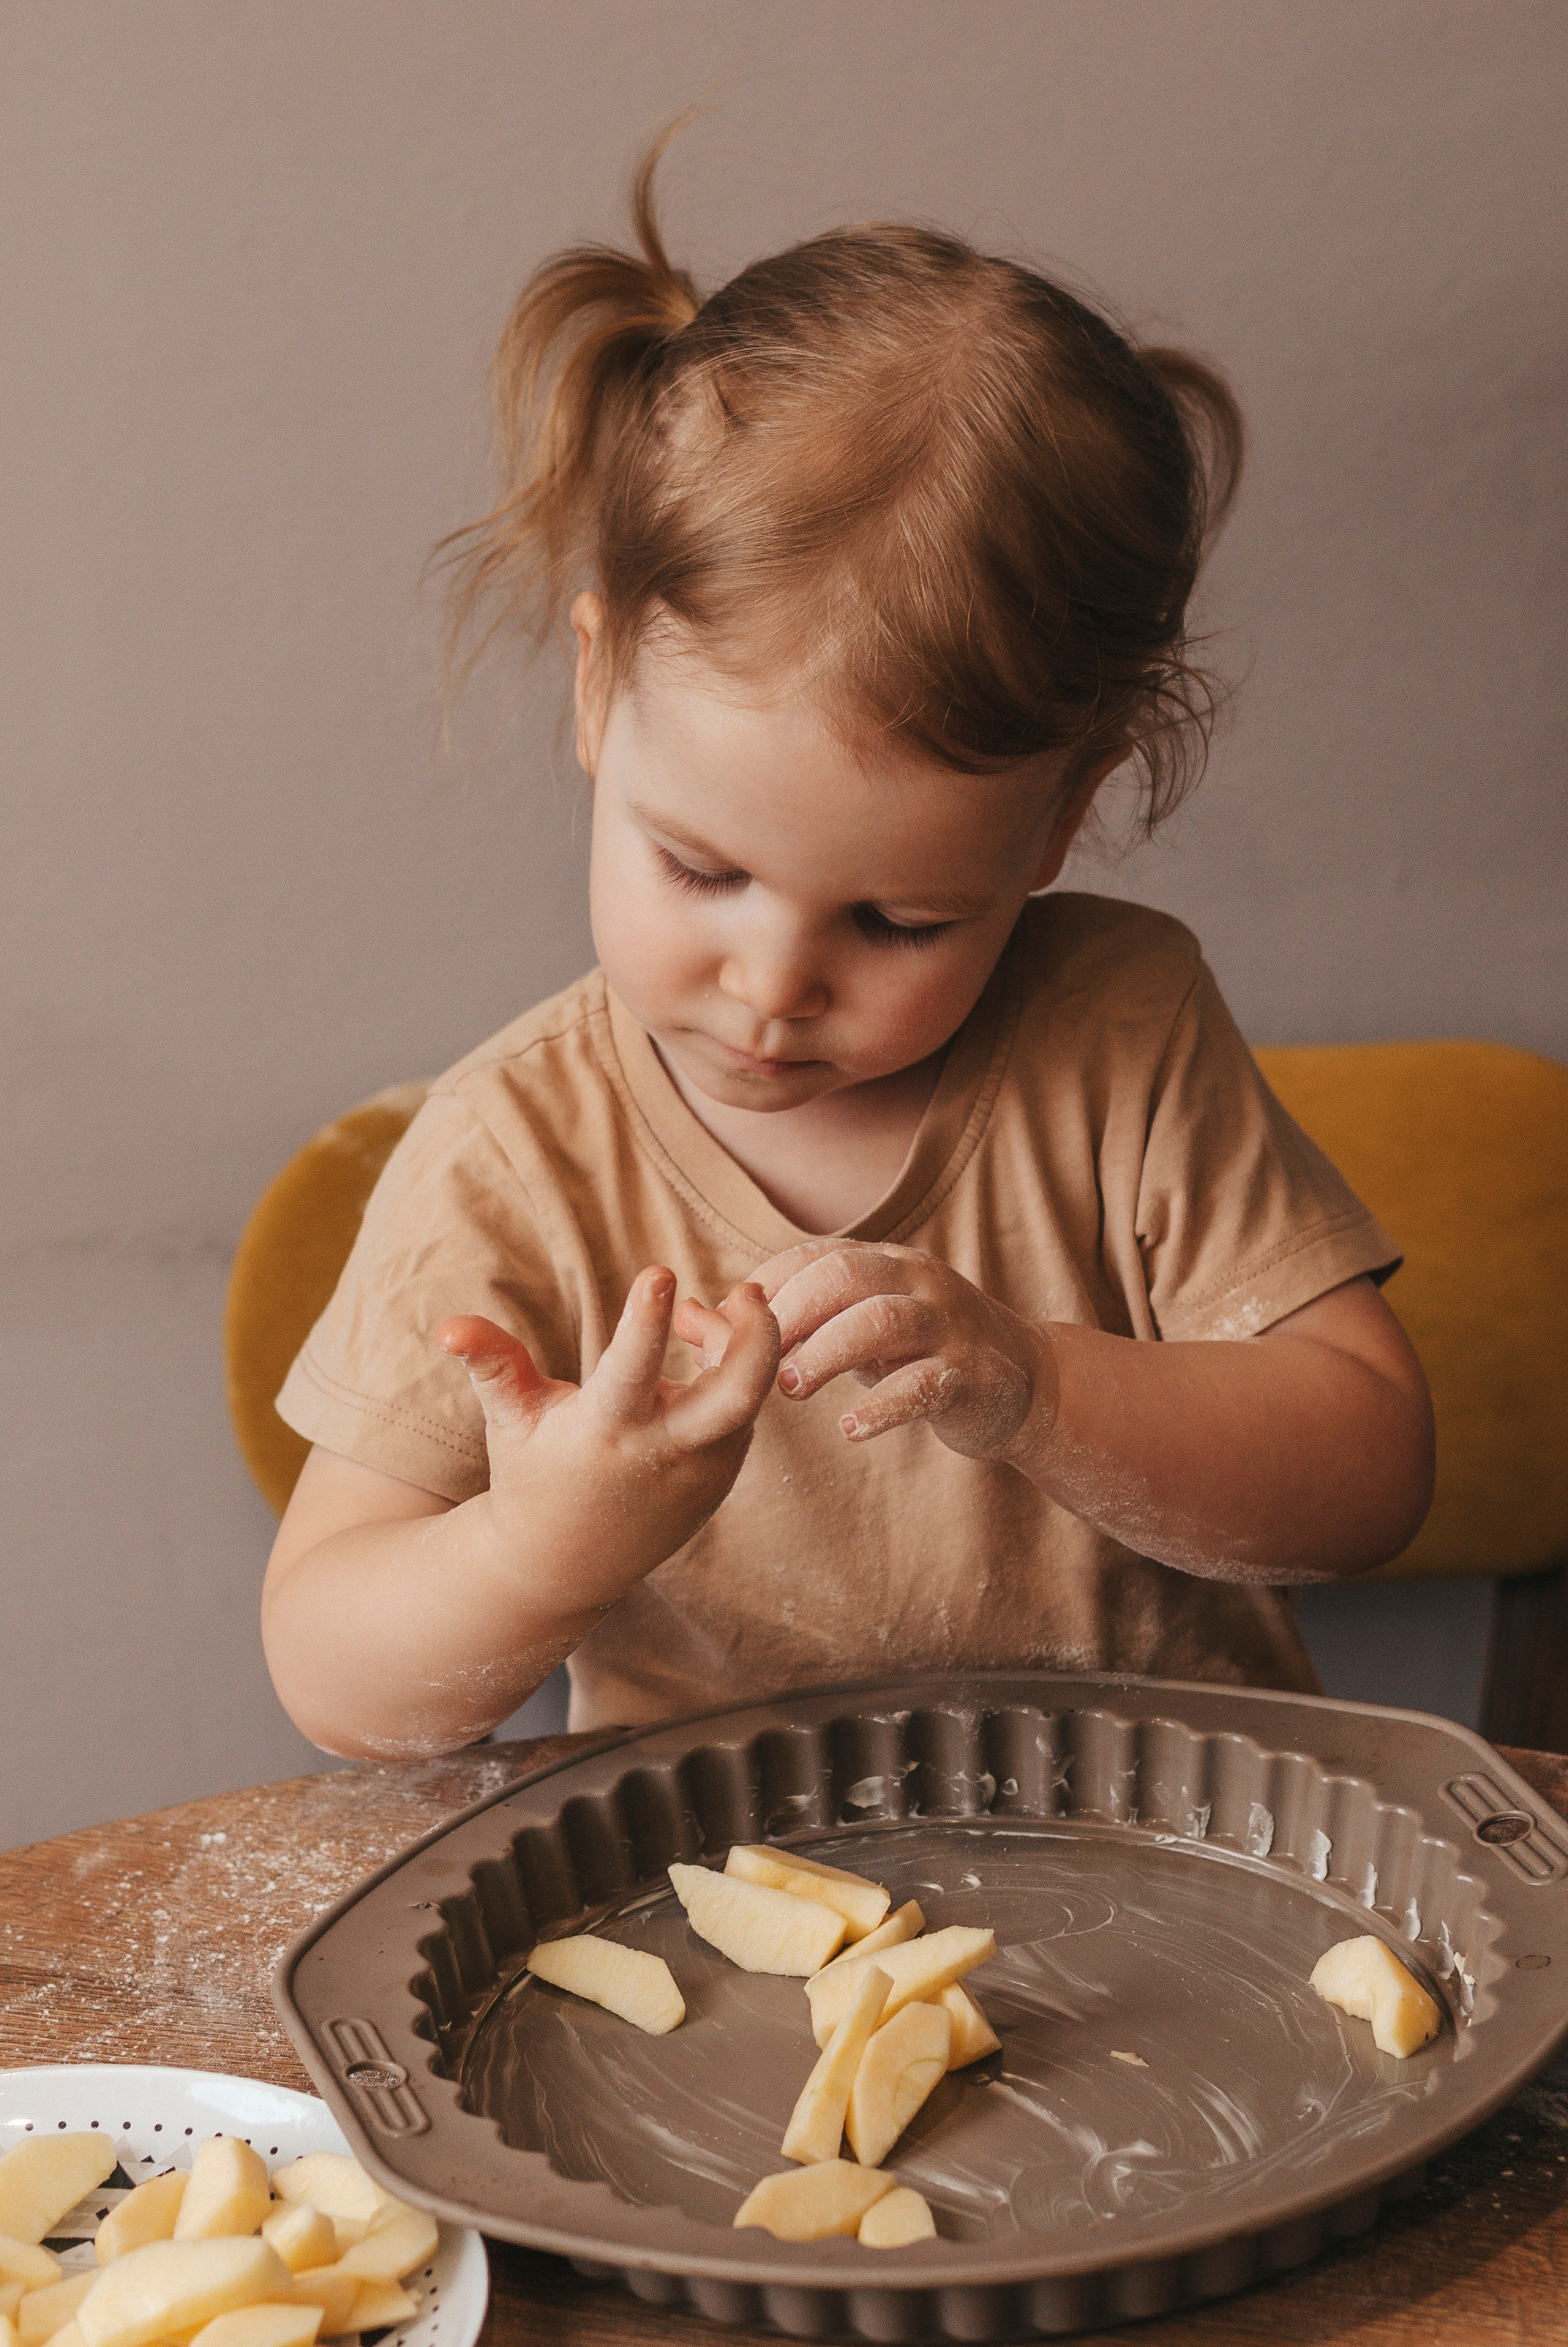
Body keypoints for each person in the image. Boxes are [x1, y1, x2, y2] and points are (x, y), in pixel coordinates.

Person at [262, 143, 1433, 1761]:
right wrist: (543, 1548)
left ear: (1051, 824)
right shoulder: (513, 1153)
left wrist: (1033, 1386)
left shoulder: (1117, 1031)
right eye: (698, 869)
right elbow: (333, 1672)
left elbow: (1366, 1475)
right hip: (728, 1934)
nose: (771, 981)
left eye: (896, 920)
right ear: (598, 689)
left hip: (1196, 1898)